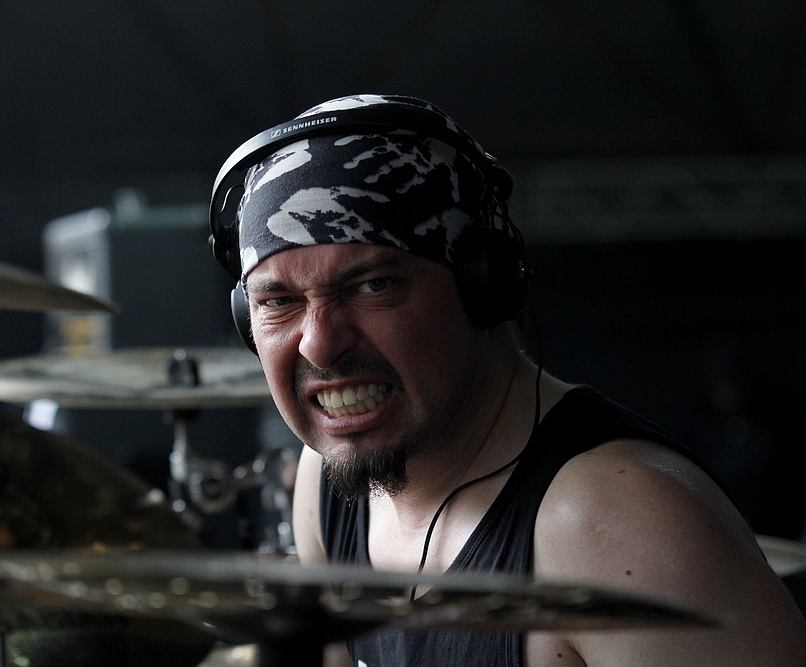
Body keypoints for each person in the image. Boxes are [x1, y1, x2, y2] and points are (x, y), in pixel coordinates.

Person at [207, 93, 806, 666]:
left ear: (483, 286)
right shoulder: (330, 485)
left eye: (373, 285)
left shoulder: (616, 525)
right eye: (278, 302)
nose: (319, 343)